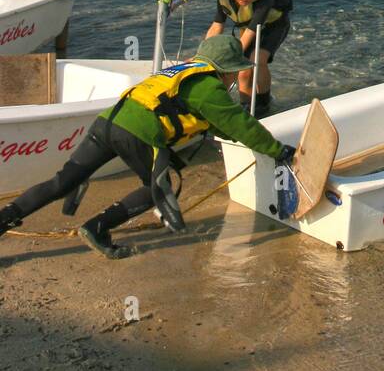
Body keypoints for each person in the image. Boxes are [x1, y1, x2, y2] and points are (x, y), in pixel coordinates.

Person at [0, 36, 293, 259]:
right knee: (163, 185)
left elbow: (212, 122)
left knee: (63, 181)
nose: (233, 78)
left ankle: (5, 217)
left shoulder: (183, 71)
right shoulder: (210, 86)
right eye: (234, 72)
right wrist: (277, 150)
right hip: (136, 133)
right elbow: (240, 124)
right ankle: (98, 227)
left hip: (107, 122)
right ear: (225, 70)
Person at [205, 0, 293, 116]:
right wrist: (204, 56)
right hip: (249, 28)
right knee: (244, 70)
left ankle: (263, 103)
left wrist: (231, 59)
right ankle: (245, 105)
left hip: (274, 26)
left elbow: (251, 32)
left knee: (256, 60)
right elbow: (217, 26)